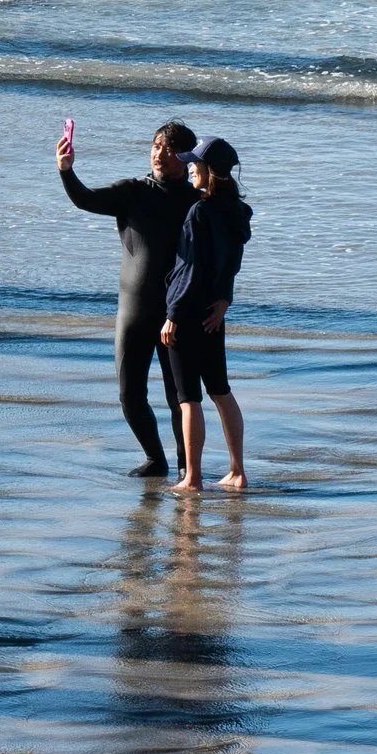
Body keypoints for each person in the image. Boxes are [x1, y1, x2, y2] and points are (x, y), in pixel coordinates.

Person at [57, 118, 198, 479]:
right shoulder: (133, 191)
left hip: (178, 313)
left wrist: (220, 299)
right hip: (134, 311)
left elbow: (223, 253)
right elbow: (85, 199)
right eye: (155, 147)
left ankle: (187, 466)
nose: (160, 155)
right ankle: (155, 459)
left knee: (179, 398)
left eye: (169, 150)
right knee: (129, 394)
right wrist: (67, 171)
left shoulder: (198, 203)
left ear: (187, 158)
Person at [160, 137, 253, 493]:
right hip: (215, 312)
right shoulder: (236, 211)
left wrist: (173, 314)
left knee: (188, 398)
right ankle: (237, 471)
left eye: (195, 163)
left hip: (188, 312)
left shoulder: (200, 211)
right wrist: (225, 301)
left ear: (211, 170)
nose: (190, 168)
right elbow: (231, 265)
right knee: (220, 390)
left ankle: (192, 477)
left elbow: (191, 270)